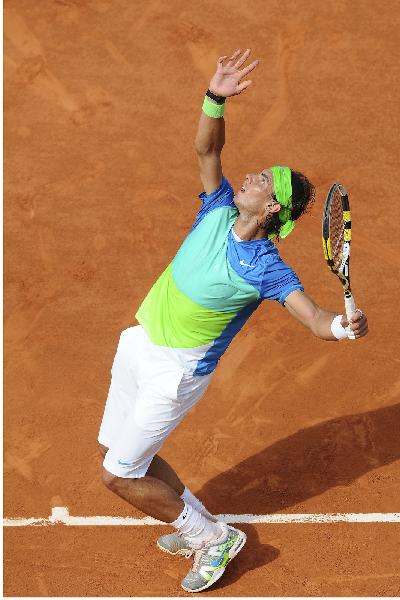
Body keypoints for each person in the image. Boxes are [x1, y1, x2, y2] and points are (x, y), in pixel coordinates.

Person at [98, 48, 369, 593]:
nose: (250, 176)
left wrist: (344, 327)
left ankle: (212, 537)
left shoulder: (265, 266)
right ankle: (197, 525)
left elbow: (315, 318)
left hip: (175, 371)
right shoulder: (217, 205)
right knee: (126, 454)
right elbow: (207, 147)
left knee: (118, 476)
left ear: (271, 210)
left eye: (263, 182)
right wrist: (215, 97)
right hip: (140, 344)